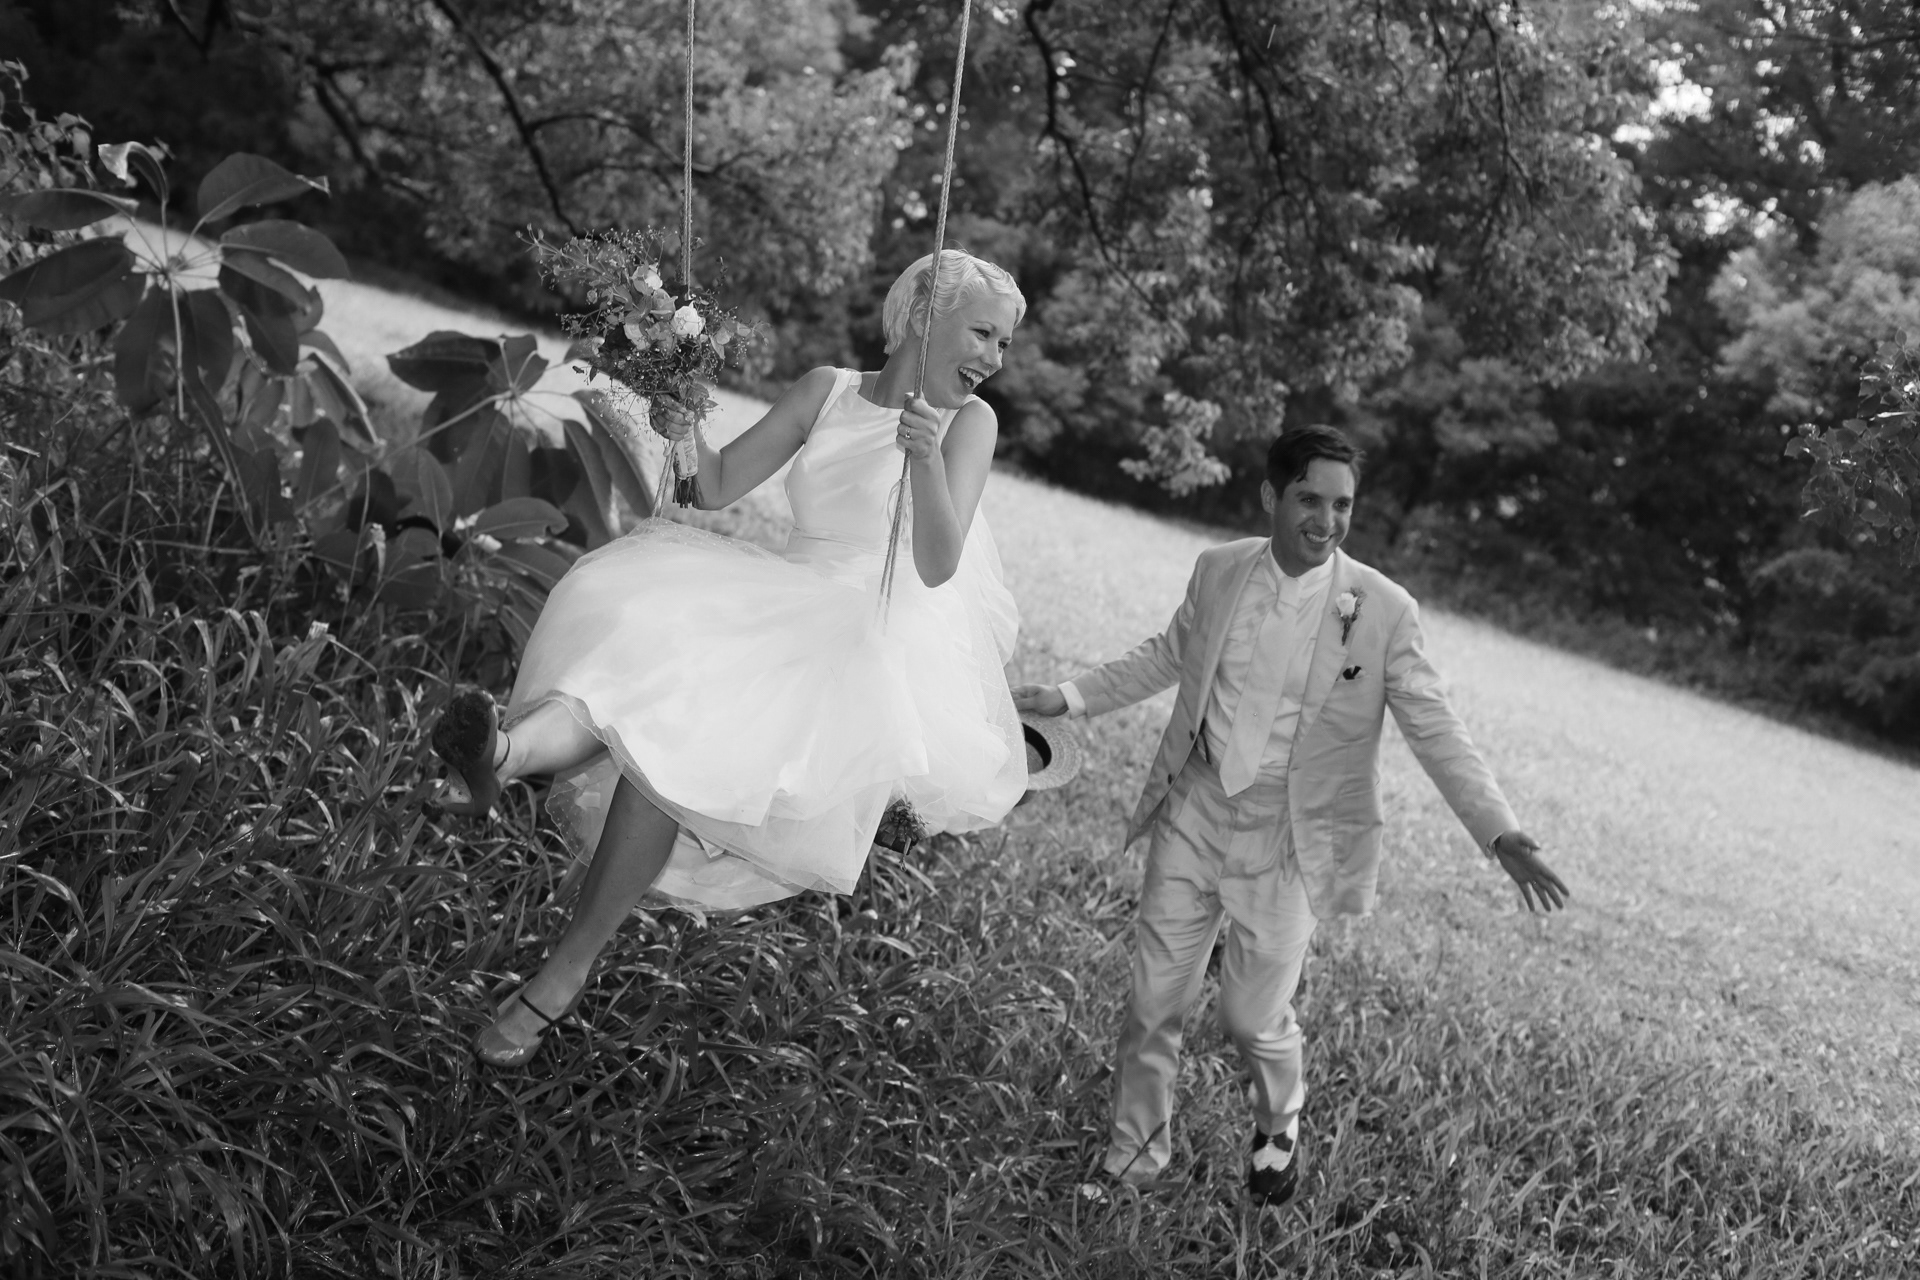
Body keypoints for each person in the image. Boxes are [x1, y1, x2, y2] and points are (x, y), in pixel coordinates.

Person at [432, 251, 1030, 1067]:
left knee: (676, 749)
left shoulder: (968, 425)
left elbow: (937, 563)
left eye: (1004, 343)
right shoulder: (827, 390)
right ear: (924, 314)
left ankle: (559, 964)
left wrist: (924, 458)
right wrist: (684, 425)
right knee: (639, 643)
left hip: (867, 631)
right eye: (984, 333)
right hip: (785, 596)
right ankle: (499, 757)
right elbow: (710, 488)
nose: (995, 359)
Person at [1013, 424, 1568, 1207]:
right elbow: (1169, 653)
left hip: (1290, 836)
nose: (1327, 520)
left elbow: (1435, 725)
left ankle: (1279, 1119)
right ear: (1272, 496)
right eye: (1311, 499)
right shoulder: (1219, 569)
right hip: (1196, 806)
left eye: (1343, 505)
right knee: (1153, 1003)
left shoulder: (1383, 610)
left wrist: (1498, 828)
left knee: (1250, 1017)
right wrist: (1068, 697)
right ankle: (1132, 1160)